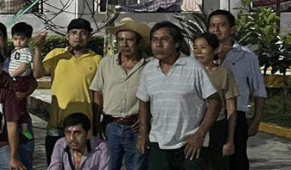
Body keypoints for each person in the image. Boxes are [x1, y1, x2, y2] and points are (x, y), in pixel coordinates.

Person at [136, 22, 221, 170]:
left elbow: (215, 102)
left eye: (164, 39)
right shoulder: (149, 70)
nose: (158, 44)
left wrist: (200, 134)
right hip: (158, 143)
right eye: (154, 39)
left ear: (176, 43)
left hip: (189, 144)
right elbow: (143, 101)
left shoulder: (193, 67)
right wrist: (143, 133)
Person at [33, 18, 102, 163]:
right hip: (57, 125)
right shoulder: (56, 55)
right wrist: (38, 48)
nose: (78, 36)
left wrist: (96, 124)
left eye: (83, 33)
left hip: (83, 127)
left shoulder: (97, 60)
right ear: (67, 36)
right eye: (74, 32)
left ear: (89, 37)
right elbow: (37, 73)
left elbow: (98, 94)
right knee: (55, 165)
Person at [206, 9, 267, 170]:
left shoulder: (247, 57)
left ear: (232, 29)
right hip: (206, 116)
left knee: (237, 161)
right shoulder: (199, 57)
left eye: (222, 25)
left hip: (236, 116)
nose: (216, 29)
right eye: (212, 25)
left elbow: (258, 90)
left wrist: (256, 119)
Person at [90, 17, 150, 170]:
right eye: (121, 40)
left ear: (138, 42)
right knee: (108, 166)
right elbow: (98, 93)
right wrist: (96, 123)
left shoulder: (150, 65)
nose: (125, 44)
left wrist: (146, 119)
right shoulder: (106, 63)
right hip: (111, 126)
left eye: (129, 40)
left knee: (137, 167)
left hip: (136, 128)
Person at [0, 20, 37, 170]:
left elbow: (33, 81)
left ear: (5, 39)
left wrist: (24, 94)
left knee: (23, 162)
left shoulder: (15, 58)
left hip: (18, 119)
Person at [192, 33, 238, 170]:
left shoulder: (224, 73)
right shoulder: (187, 73)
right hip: (193, 128)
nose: (198, 52)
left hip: (217, 130)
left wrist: (230, 140)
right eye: (195, 47)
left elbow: (231, 109)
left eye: (203, 47)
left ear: (216, 49)